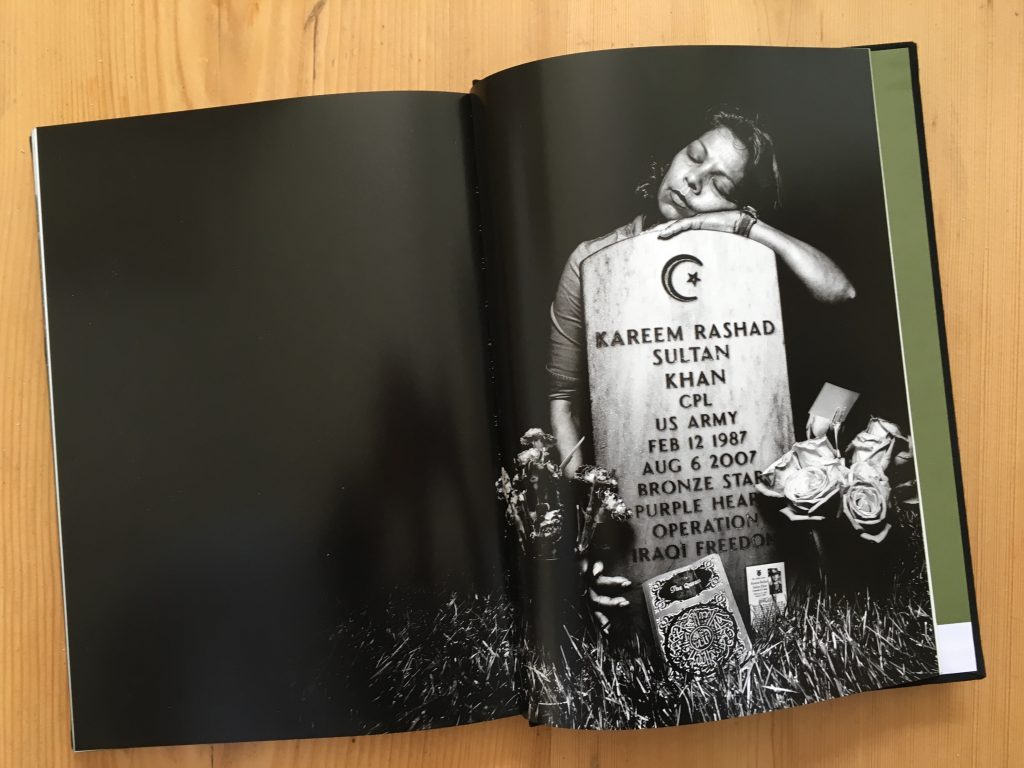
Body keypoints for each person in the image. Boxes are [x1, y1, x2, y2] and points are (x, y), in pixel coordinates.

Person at [548, 107, 857, 477]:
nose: (692, 180)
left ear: (739, 205)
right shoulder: (591, 261)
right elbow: (563, 401)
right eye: (693, 157)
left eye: (720, 185)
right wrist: (588, 501)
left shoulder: (757, 265)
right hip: (638, 483)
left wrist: (746, 227)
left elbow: (841, 295)